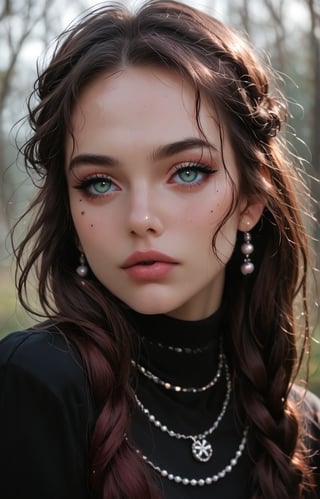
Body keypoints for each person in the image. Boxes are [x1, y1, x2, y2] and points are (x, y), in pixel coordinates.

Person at [0, 0, 319, 497]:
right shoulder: (38, 384)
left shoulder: (300, 424)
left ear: (251, 201)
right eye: (100, 182)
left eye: (187, 172)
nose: (141, 219)